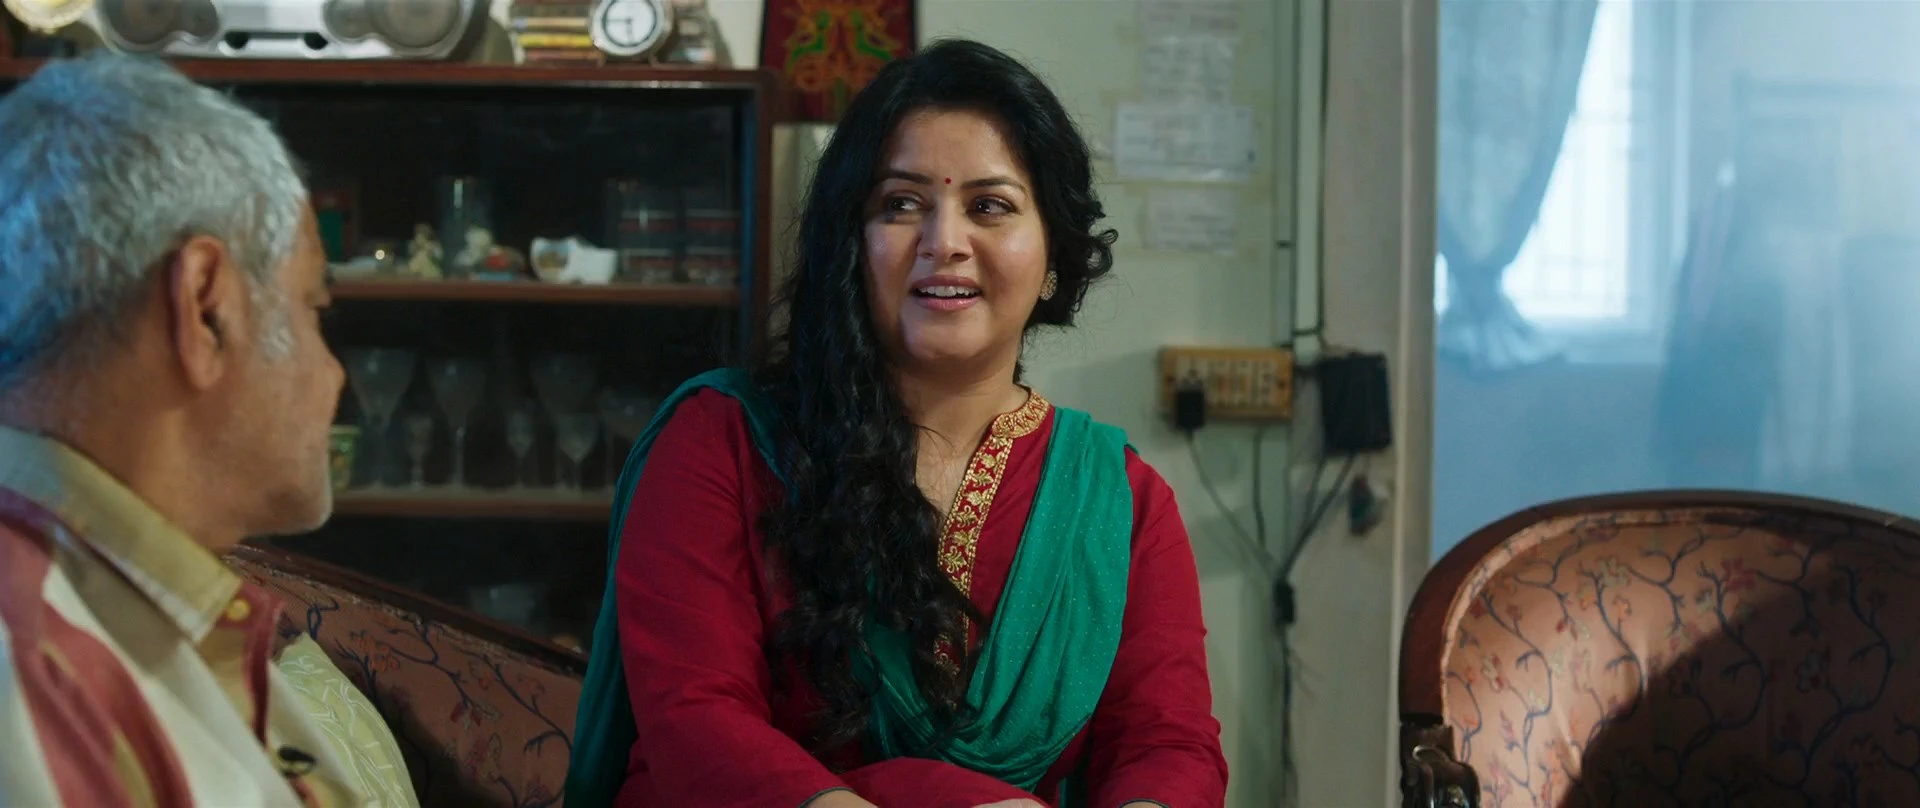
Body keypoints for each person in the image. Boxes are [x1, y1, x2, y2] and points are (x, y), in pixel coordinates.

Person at [568, 39, 1228, 808]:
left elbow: (1165, 743)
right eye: (901, 205)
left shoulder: (1121, 503)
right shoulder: (724, 440)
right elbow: (696, 718)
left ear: (1054, 256)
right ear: (851, 242)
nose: (944, 243)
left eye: (990, 206)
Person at [0, 54, 415, 806]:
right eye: (312, 307)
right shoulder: (36, 674)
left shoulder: (126, 606)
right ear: (205, 309)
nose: (335, 375)